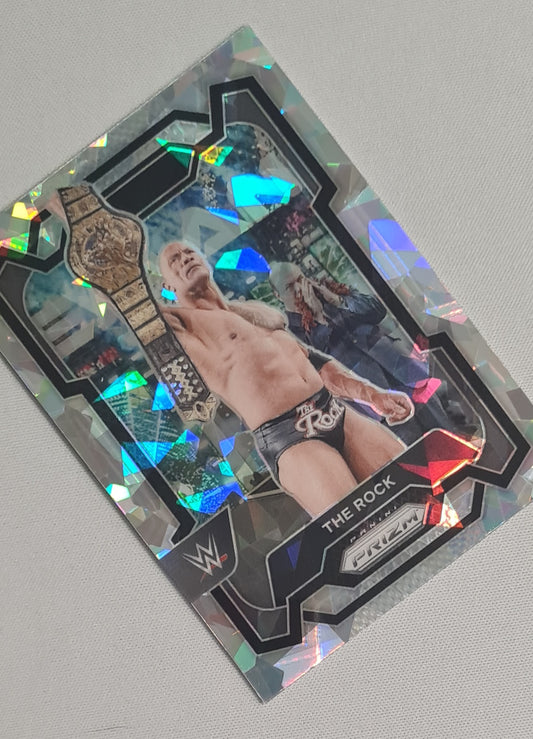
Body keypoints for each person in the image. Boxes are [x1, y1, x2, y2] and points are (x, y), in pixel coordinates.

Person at [158, 242, 414, 518]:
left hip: (333, 410)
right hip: (289, 437)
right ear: (167, 286)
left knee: (416, 486)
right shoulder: (184, 327)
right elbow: (143, 317)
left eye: (189, 252)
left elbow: (317, 365)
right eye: (174, 259)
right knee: (361, 521)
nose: (185, 258)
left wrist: (373, 395)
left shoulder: (255, 314)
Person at [269, 261, 455, 444]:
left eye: (301, 279)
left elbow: (377, 310)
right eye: (289, 287)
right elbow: (320, 367)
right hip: (377, 401)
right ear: (277, 295)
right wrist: (317, 317)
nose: (300, 289)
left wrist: (338, 301)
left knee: (448, 432)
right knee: (415, 445)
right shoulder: (291, 335)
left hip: (406, 374)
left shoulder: (331, 292)